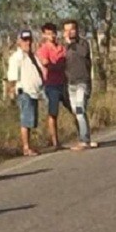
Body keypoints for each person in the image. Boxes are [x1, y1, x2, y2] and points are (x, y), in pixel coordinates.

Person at [6, 30, 45, 156]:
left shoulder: (32, 56)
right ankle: (26, 147)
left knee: (30, 120)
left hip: (34, 92)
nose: (27, 42)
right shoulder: (16, 58)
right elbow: (12, 78)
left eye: (29, 40)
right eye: (24, 40)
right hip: (24, 92)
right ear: (19, 42)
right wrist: (11, 92)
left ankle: (29, 146)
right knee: (26, 120)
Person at [62, 19, 96, 150]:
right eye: (66, 30)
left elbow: (83, 54)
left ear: (77, 30)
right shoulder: (63, 47)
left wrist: (71, 43)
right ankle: (86, 137)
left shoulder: (83, 43)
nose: (69, 32)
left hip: (83, 82)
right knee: (77, 112)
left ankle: (84, 140)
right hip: (70, 84)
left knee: (80, 110)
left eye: (72, 29)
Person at [36, 22, 67, 150]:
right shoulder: (42, 49)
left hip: (64, 83)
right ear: (44, 35)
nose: (52, 36)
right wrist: (60, 66)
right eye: (48, 34)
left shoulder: (62, 48)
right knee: (53, 114)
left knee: (76, 109)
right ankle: (55, 142)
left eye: (53, 33)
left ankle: (83, 137)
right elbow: (46, 64)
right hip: (51, 85)